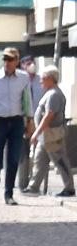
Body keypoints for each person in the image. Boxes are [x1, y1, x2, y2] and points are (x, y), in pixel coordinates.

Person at [0, 48, 37, 206]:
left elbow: (27, 100)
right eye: (5, 59)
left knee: (13, 159)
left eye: (10, 59)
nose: (7, 62)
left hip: (16, 122)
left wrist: (30, 120)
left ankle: (9, 193)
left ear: (17, 61)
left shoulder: (23, 78)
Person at [33, 67, 75, 200]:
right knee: (39, 160)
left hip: (52, 135)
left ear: (51, 79)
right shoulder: (50, 92)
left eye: (43, 78)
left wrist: (36, 132)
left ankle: (69, 188)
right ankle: (33, 187)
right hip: (45, 135)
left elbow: (49, 115)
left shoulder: (54, 94)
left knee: (60, 161)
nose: (40, 81)